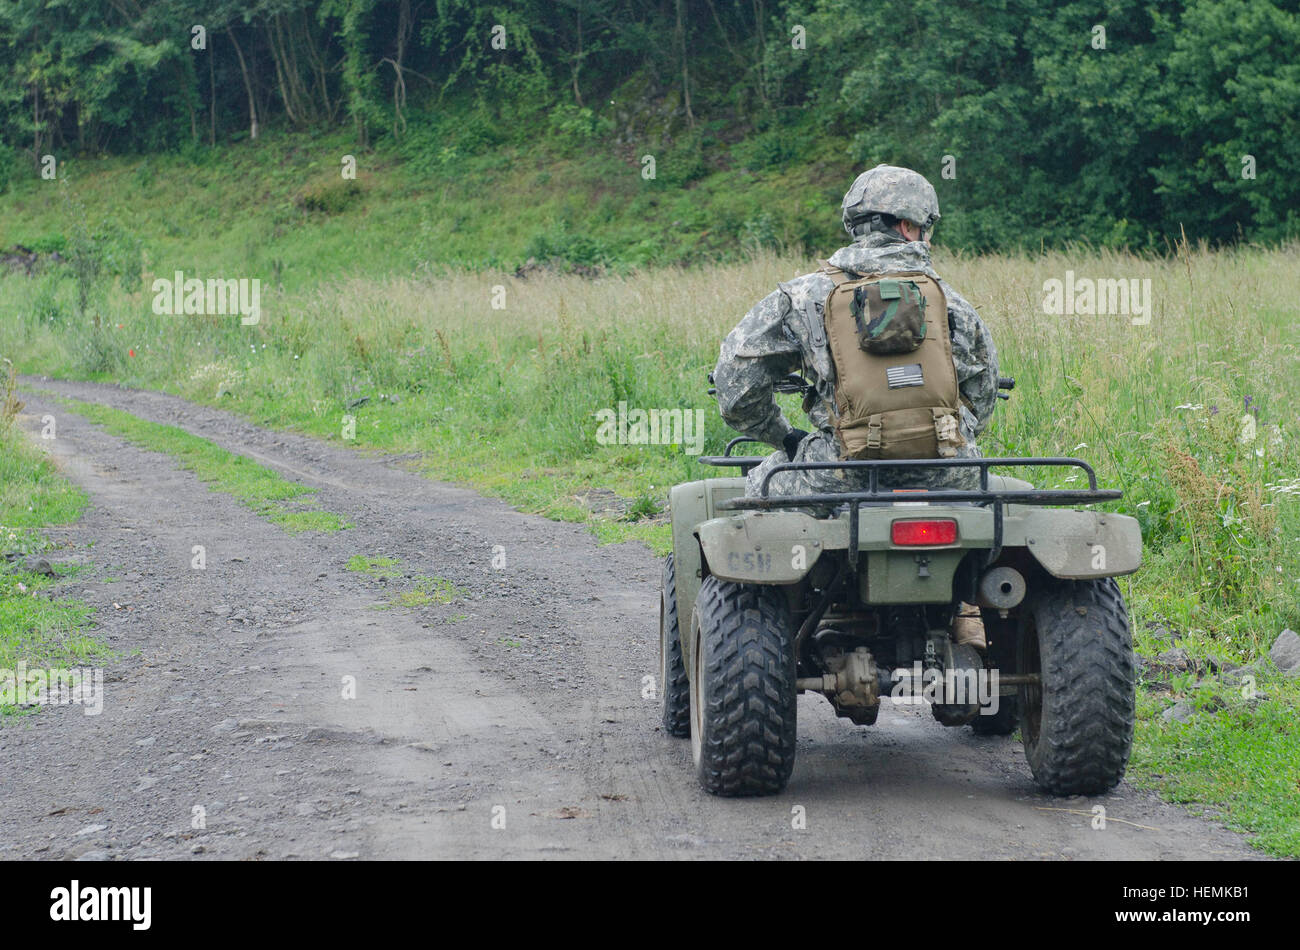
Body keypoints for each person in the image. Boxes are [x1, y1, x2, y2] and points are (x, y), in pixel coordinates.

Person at [711, 164, 999, 647]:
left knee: (760, 482)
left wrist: (786, 437)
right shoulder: (952, 301)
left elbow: (735, 385)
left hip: (836, 477)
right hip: (946, 476)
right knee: (997, 499)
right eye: (925, 228)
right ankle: (968, 610)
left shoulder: (802, 295)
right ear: (908, 226)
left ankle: (784, 614)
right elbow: (982, 400)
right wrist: (940, 441)